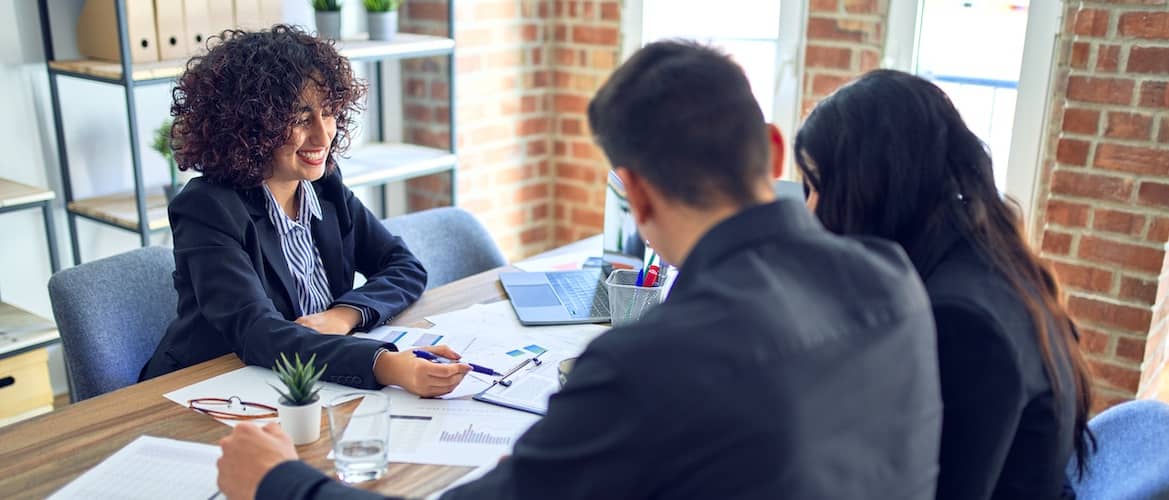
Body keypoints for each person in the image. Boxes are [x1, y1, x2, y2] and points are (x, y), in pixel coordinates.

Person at [215, 40, 944, 500]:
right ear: (775, 149)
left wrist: (281, 483)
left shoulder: (651, 361)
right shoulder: (892, 281)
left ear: (632, 192)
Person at [794, 69, 1095, 499]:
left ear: (872, 187)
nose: (809, 211)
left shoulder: (961, 320)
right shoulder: (987, 263)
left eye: (817, 186)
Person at [139, 25, 470, 397]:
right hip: (207, 387)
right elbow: (258, 333)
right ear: (250, 125)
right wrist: (383, 363)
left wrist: (344, 315)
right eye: (300, 117)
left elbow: (404, 266)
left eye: (328, 112)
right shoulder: (207, 209)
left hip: (305, 382)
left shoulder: (324, 187)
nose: (323, 135)